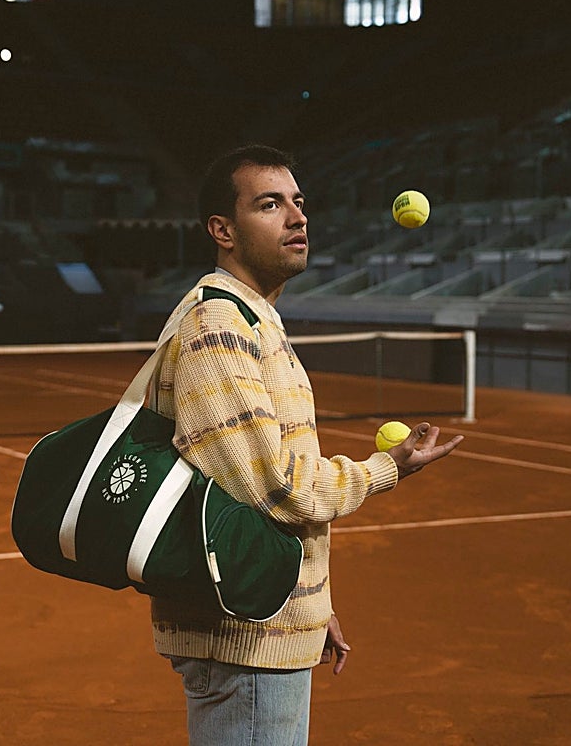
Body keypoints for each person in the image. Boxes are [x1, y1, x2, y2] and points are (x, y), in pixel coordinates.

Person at [150, 144, 465, 745]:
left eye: (299, 203)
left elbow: (257, 496)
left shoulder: (255, 319)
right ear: (223, 230)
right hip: (245, 638)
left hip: (266, 621)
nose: (297, 218)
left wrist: (309, 606)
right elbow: (281, 488)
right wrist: (385, 469)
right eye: (270, 204)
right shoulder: (218, 326)